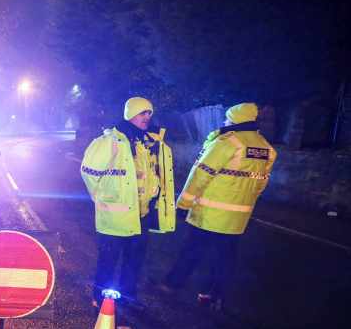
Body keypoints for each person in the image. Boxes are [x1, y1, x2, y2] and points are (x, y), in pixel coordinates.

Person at [162, 102, 276, 312]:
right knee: (225, 258)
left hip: (210, 212)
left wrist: (184, 203)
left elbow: (200, 174)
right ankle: (215, 295)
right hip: (238, 216)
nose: (224, 121)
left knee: (192, 250)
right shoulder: (266, 148)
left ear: (235, 120)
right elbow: (260, 183)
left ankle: (171, 285)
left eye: (228, 118)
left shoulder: (227, 142)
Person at [80, 96, 176, 313]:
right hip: (115, 216)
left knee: (134, 262)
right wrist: (101, 196)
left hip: (141, 215)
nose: (147, 117)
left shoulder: (151, 143)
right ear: (130, 114)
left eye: (150, 113)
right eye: (143, 112)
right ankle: (99, 298)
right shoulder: (110, 142)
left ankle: (128, 297)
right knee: (108, 261)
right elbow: (88, 173)